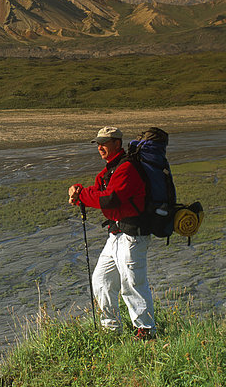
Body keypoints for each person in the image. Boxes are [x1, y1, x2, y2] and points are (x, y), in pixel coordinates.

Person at [68, 126, 156, 340]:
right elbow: (99, 192)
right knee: (101, 280)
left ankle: (146, 331)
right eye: (98, 143)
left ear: (117, 143)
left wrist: (82, 196)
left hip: (133, 235)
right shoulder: (109, 171)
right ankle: (111, 330)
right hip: (116, 234)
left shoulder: (127, 169)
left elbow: (109, 199)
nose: (100, 147)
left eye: (104, 143)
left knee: (132, 283)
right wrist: (79, 191)